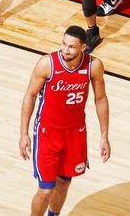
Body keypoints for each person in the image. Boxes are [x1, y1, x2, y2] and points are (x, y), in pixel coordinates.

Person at [19, 25, 110, 216]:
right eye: (63, 44)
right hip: (47, 133)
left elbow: (100, 99)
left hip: (75, 133)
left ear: (83, 47)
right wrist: (24, 133)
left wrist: (104, 136)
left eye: (71, 47)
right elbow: (30, 95)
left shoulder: (93, 66)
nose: (65, 50)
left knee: (63, 184)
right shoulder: (47, 64)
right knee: (45, 190)